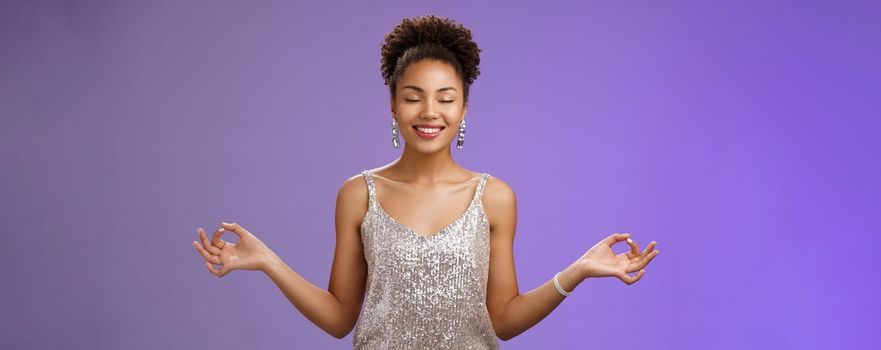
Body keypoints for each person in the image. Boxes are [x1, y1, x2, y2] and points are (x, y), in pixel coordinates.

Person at [191, 14, 659, 349]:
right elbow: (339, 319)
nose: (430, 112)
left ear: (464, 110)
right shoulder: (358, 195)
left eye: (446, 99)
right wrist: (268, 261)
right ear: (394, 107)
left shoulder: (495, 198)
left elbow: (502, 322)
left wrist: (576, 271)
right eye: (414, 97)